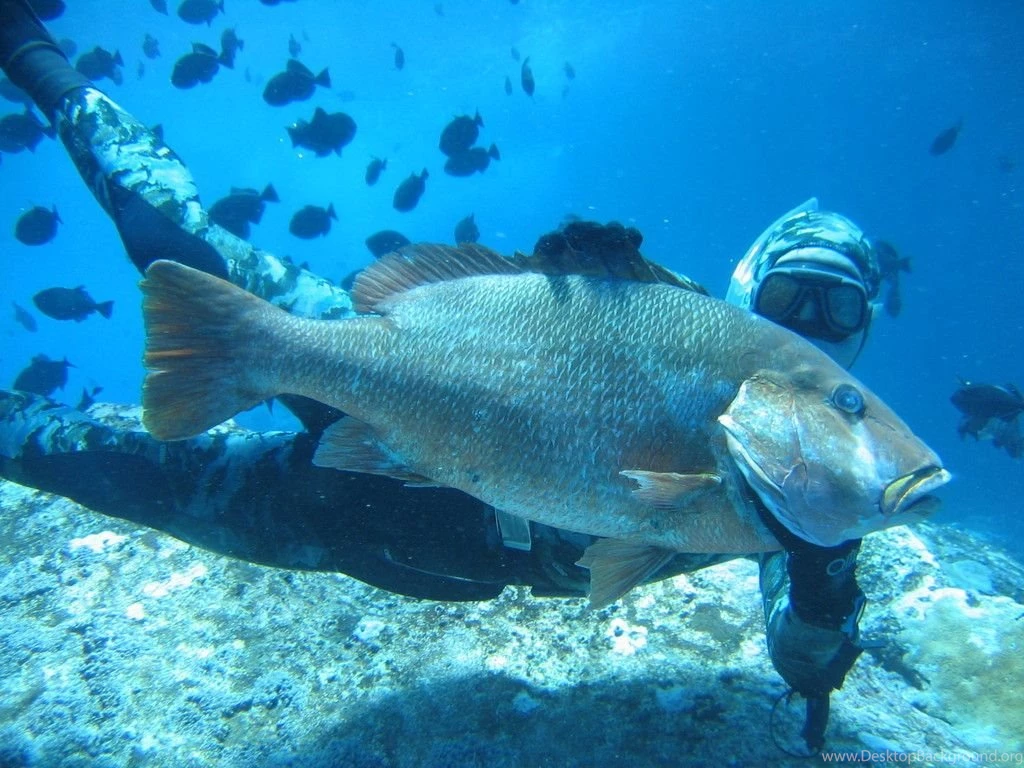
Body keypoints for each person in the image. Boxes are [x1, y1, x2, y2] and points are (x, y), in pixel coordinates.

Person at [0, 0, 889, 753]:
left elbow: (801, 659)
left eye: (834, 314)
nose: (801, 325)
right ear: (747, 281)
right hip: (411, 362)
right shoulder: (677, 322)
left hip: (379, 524)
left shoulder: (817, 498)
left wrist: (825, 563)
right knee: (175, 246)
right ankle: (35, 59)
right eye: (789, 295)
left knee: (91, 467)